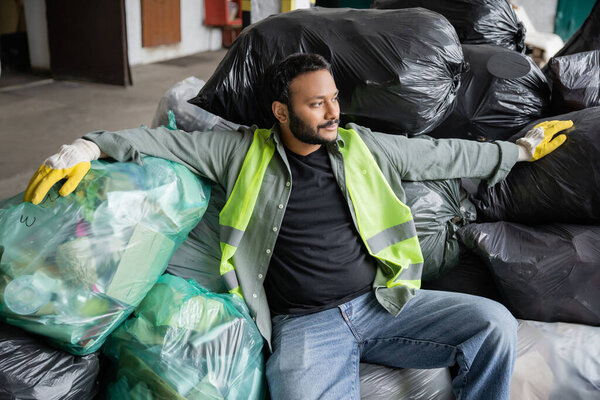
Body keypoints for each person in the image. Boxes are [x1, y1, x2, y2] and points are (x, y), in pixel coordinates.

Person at [24, 53, 572, 400]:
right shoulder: (241, 153)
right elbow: (164, 141)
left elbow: (438, 156)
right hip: (306, 327)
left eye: (334, 99)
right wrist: (90, 144)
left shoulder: (362, 147)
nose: (333, 112)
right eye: (317, 104)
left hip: (381, 304)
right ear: (282, 113)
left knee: (492, 324)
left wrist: (516, 151)